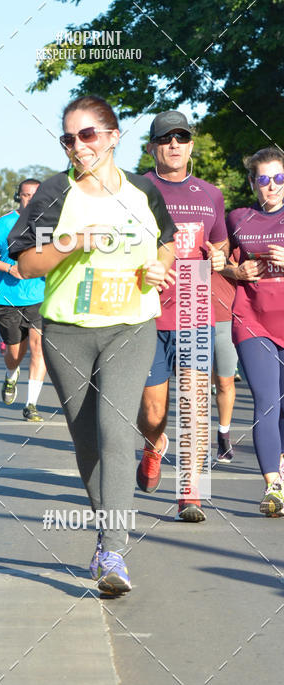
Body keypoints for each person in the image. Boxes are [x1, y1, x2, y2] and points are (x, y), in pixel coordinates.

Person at [8, 95, 176, 595]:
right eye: (69, 138)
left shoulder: (144, 190)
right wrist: (73, 241)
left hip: (131, 325)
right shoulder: (56, 192)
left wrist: (160, 267)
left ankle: (114, 549)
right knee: (88, 443)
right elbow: (26, 264)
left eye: (88, 135)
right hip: (68, 331)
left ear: (113, 136)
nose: (78, 146)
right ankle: (107, 535)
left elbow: (166, 241)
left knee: (116, 430)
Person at [136, 111, 227, 522]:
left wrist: (221, 258)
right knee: (154, 413)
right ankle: (154, 445)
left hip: (194, 308)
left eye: (181, 137)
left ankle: (191, 493)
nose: (174, 144)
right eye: (165, 138)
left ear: (191, 146)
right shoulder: (135, 189)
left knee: (194, 403)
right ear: (152, 147)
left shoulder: (211, 194)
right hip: (147, 312)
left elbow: (220, 245)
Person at [224, 147, 284, 515]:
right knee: (267, 401)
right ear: (252, 183)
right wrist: (235, 271)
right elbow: (212, 261)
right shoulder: (237, 219)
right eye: (264, 179)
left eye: (279, 178)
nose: (272, 186)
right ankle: (273, 486)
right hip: (252, 320)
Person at [0, 178, 48, 422]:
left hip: (39, 297)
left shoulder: (49, 224)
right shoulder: (5, 223)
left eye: (35, 195)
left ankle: (31, 404)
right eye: (26, 195)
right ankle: (11, 373)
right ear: (19, 197)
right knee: (15, 353)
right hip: (7, 298)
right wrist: (8, 268)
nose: (30, 200)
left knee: (39, 349)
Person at [211, 256, 238, 462]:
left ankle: (224, 435)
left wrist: (227, 266)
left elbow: (242, 268)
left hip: (225, 315)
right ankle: (195, 440)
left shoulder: (233, 239)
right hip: (188, 314)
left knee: (224, 380)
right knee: (193, 384)